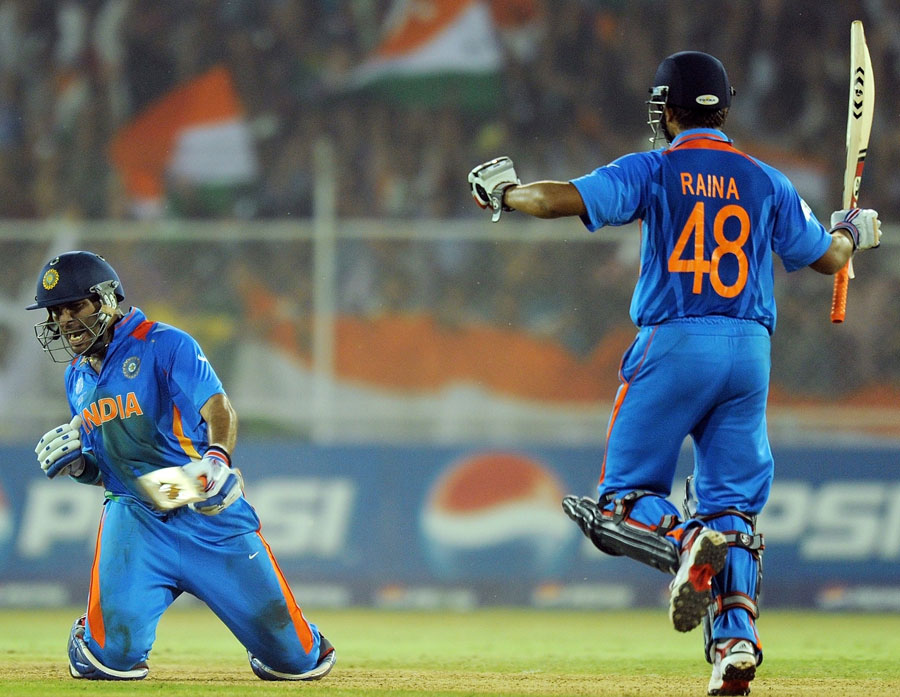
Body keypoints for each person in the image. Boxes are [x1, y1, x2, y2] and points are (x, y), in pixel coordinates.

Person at [468, 51, 881, 696]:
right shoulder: (766, 179)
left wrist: (505, 193)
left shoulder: (655, 168)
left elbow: (562, 200)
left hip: (676, 344)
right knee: (733, 510)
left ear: (668, 108)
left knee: (619, 504)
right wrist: (854, 232)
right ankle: (736, 644)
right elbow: (828, 257)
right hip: (749, 352)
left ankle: (688, 541)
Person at [27, 250, 336, 682]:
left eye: (74, 306)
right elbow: (110, 470)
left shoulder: (165, 343)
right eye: (56, 312)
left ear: (108, 299)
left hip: (202, 503)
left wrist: (218, 461)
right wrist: (81, 467)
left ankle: (288, 646)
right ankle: (93, 637)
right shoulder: (76, 377)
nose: (64, 321)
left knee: (297, 664)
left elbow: (219, 408)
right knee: (109, 659)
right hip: (135, 515)